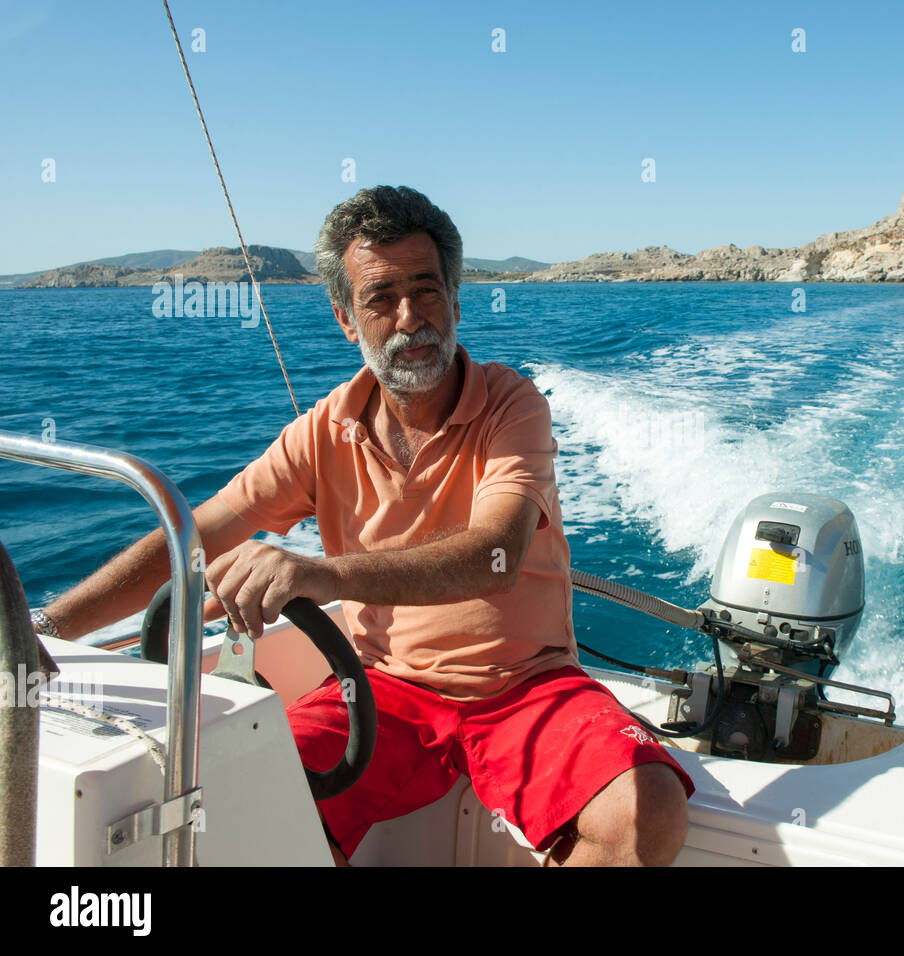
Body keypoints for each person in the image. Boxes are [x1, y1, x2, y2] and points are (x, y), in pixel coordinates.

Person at [32, 185, 693, 866]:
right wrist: (44, 630)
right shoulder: (321, 432)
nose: (410, 318)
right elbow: (191, 537)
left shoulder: (510, 404)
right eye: (380, 298)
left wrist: (320, 574)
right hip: (380, 691)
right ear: (348, 320)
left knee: (643, 812)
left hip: (527, 685)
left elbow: (494, 556)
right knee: (241, 801)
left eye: (426, 290)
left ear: (457, 301)